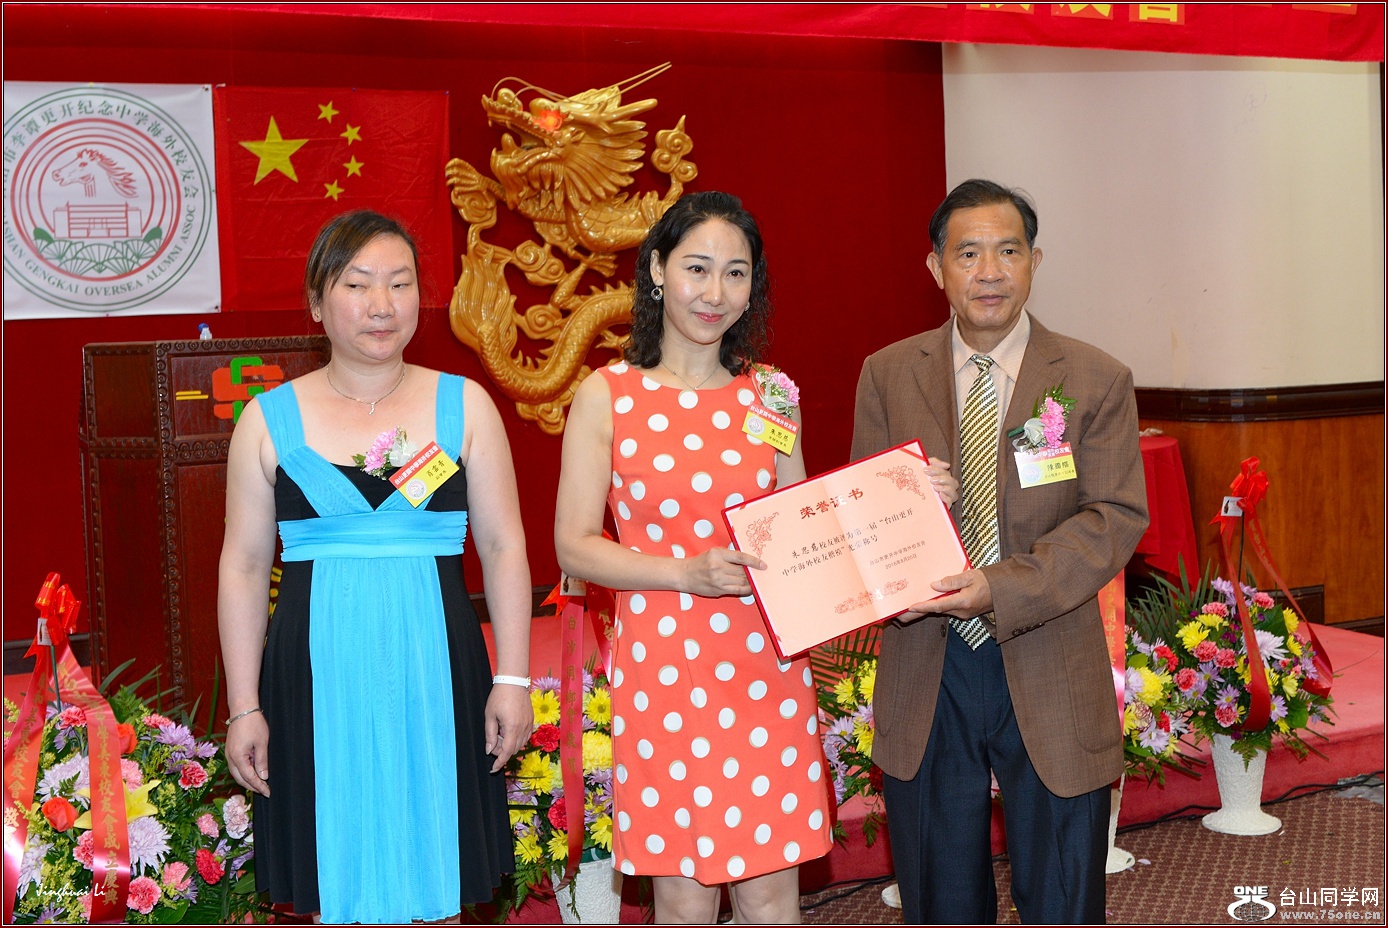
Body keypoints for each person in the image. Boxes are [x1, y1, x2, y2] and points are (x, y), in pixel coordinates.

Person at [217, 210, 533, 924]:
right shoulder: (267, 420)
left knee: (439, 863)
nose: (382, 304)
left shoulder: (466, 406)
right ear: (316, 301)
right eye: (357, 284)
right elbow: (243, 566)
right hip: (313, 671)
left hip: (436, 665)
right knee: (335, 871)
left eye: (400, 283)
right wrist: (245, 706)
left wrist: (513, 679)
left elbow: (504, 547)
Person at [851, 179, 1149, 924]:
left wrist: (998, 588)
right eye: (968, 254)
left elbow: (1113, 518)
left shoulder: (1094, 378)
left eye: (1008, 252)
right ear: (935, 268)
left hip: (1049, 651)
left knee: (1062, 899)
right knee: (941, 898)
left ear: (1035, 262)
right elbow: (861, 520)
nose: (989, 272)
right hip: (928, 660)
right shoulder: (888, 373)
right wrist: (898, 504)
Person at [555, 190, 834, 924]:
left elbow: (799, 521)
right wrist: (683, 573)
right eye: (697, 268)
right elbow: (573, 545)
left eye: (736, 274)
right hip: (664, 667)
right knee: (683, 897)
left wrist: (907, 498)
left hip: (765, 665)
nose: (715, 293)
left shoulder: (771, 394)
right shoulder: (608, 395)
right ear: (657, 269)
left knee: (771, 894)